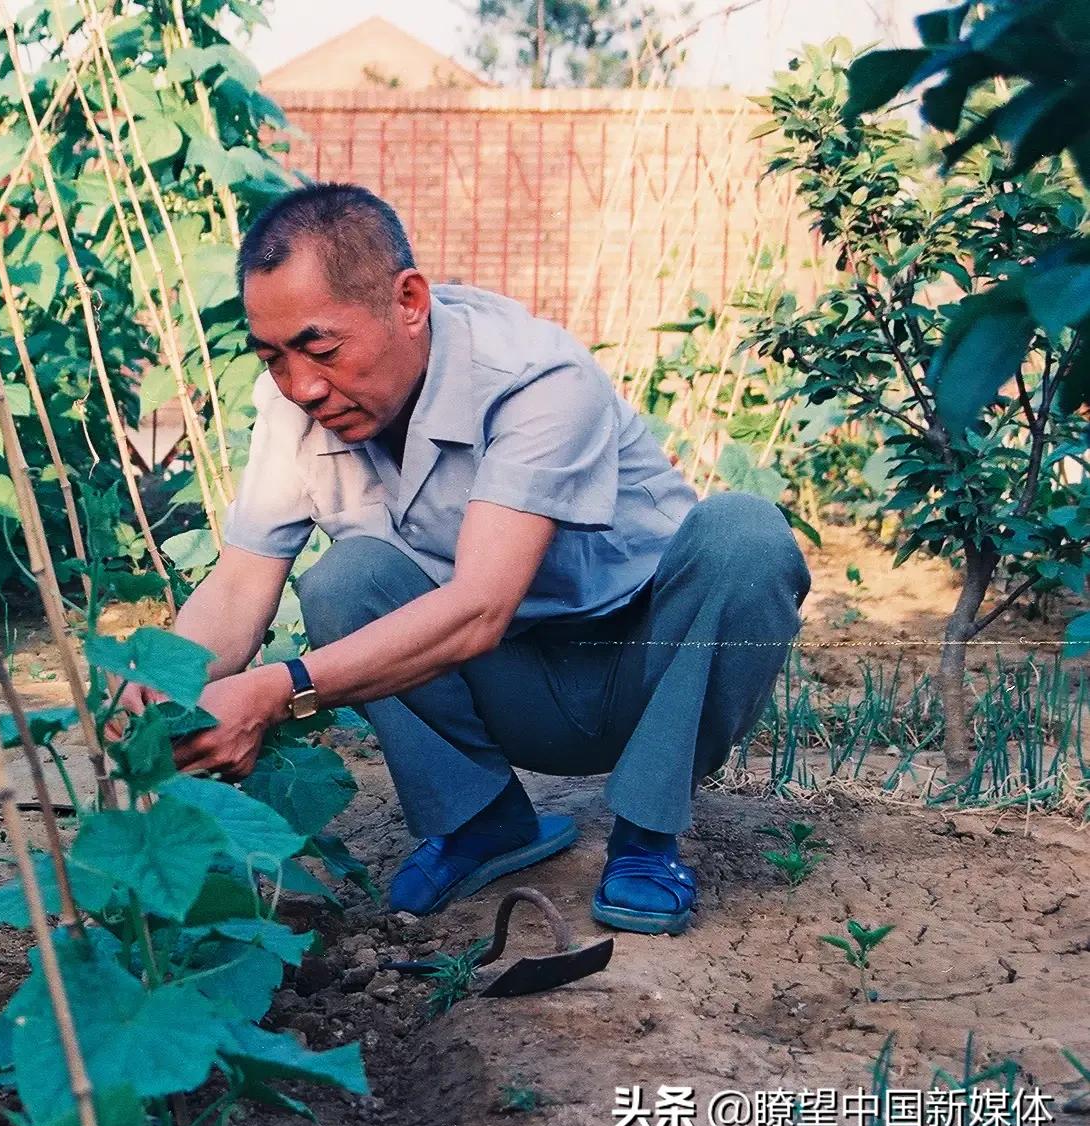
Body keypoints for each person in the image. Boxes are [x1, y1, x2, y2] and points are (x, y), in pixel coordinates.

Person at [155, 183, 810, 934]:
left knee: (746, 535)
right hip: (508, 684)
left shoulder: (535, 379)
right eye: (271, 358)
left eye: (321, 349)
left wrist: (278, 691)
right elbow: (240, 583)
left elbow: (480, 606)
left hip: (648, 669)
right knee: (347, 579)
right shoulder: (297, 406)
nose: (302, 385)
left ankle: (646, 840)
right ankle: (484, 823)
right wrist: (159, 685)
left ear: (408, 301)